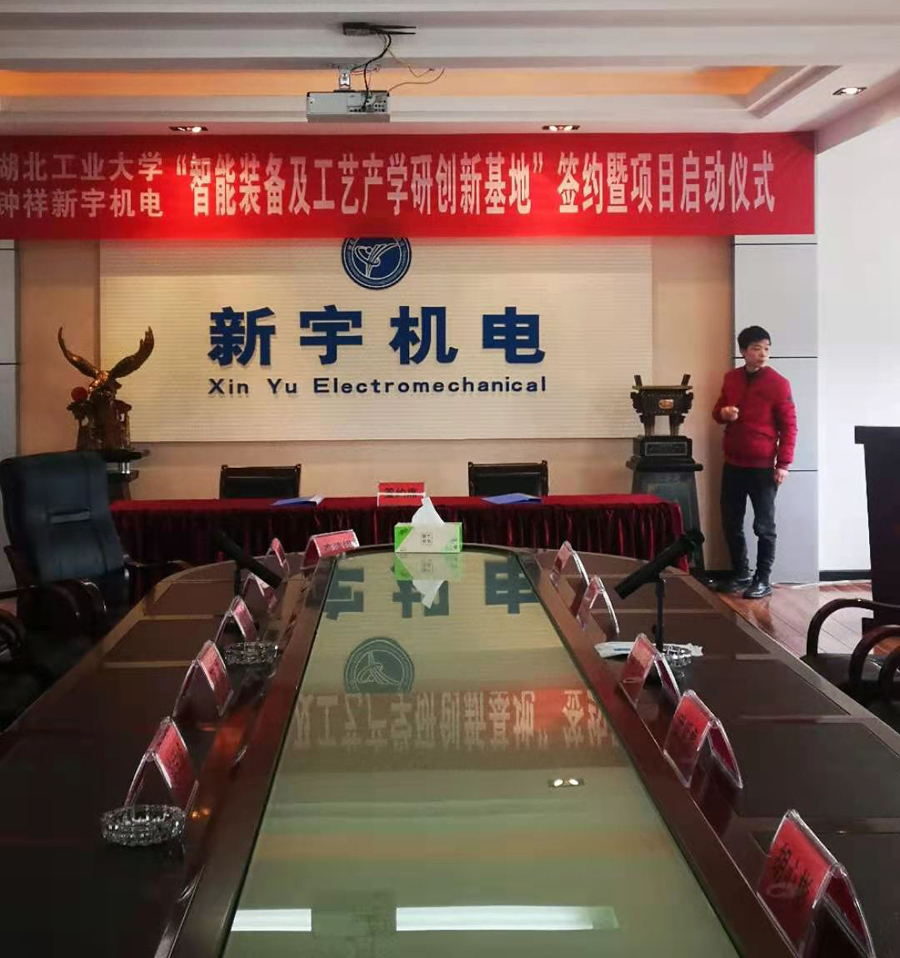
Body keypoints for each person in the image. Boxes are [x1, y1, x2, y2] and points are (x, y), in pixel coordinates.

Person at [712, 326, 797, 599]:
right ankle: (740, 574)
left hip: (763, 467)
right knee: (731, 522)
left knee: (764, 527)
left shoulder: (779, 383)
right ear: (743, 351)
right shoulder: (731, 379)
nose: (763, 354)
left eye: (766, 349)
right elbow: (717, 412)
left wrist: (783, 464)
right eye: (756, 348)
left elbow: (790, 426)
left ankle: (763, 579)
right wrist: (724, 413)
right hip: (733, 463)